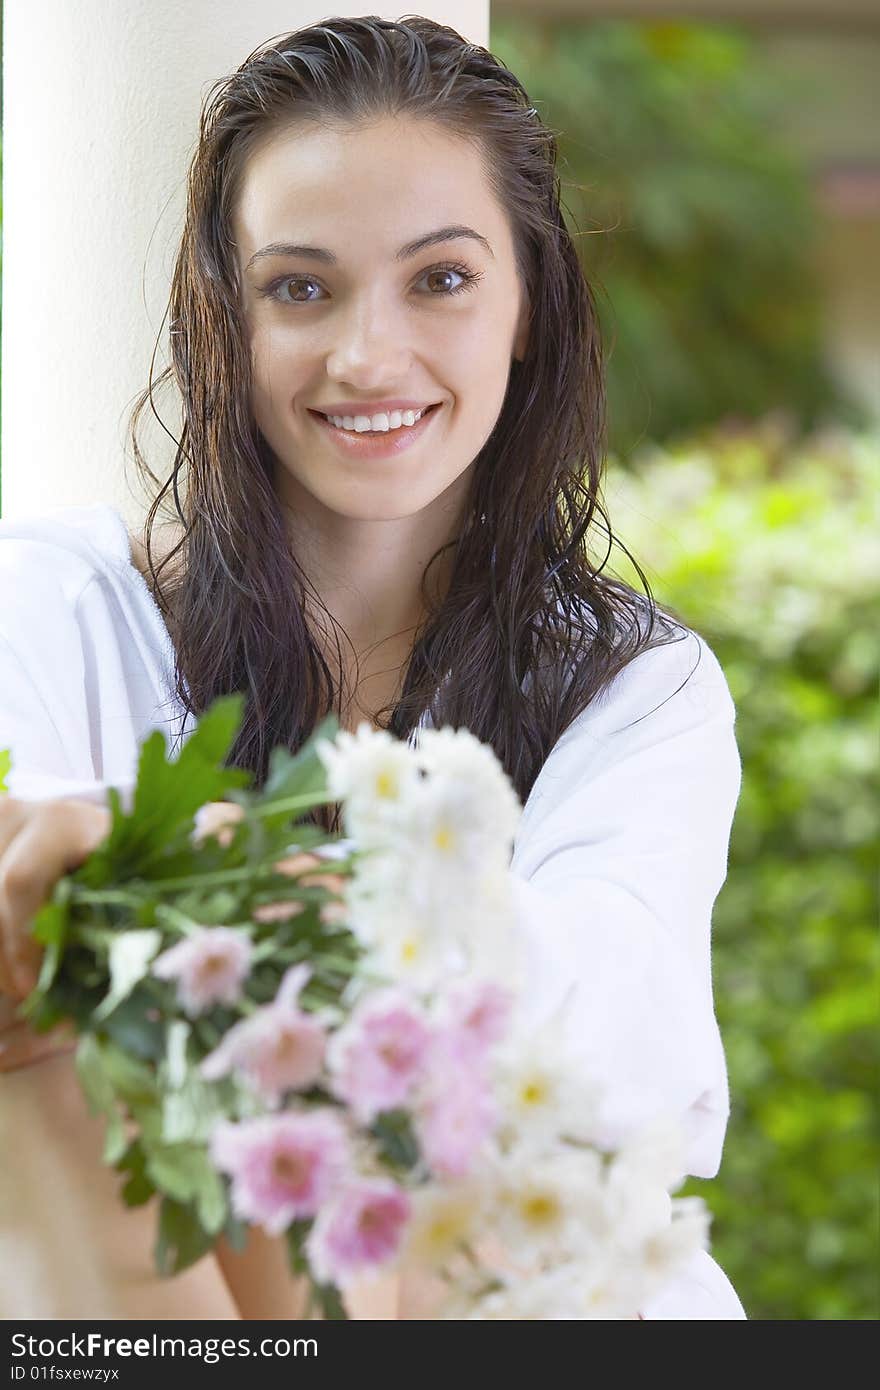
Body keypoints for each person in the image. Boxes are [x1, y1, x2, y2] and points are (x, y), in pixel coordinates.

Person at [0, 15, 746, 1318]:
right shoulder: (53, 604)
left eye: (440, 279)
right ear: (227, 319)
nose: (366, 356)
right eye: (301, 286)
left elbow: (613, 1054)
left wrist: (241, 883)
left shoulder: (641, 688)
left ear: (528, 306)